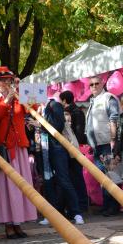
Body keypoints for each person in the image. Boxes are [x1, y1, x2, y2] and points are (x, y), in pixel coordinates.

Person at [0, 66, 37, 238]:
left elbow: (33, 107)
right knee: (5, 188)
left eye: (9, 80)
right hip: (3, 149)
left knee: (22, 186)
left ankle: (19, 223)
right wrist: (6, 102)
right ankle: (8, 224)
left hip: (19, 147)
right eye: (3, 80)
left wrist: (22, 89)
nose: (7, 83)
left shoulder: (18, 97)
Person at [43, 96, 84, 225]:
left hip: (57, 147)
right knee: (49, 182)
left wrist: (41, 124)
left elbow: (57, 126)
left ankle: (76, 213)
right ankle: (53, 214)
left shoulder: (52, 104)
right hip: (44, 148)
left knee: (64, 180)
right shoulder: (32, 108)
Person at [85, 75, 121, 216]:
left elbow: (114, 118)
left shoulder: (108, 97)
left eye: (96, 83)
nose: (93, 86)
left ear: (102, 83)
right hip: (97, 145)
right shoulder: (93, 100)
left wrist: (113, 140)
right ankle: (107, 205)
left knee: (110, 176)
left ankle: (113, 206)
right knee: (103, 178)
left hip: (107, 143)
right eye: (91, 84)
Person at [60, 91, 88, 213]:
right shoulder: (78, 111)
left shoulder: (72, 113)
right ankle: (81, 204)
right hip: (75, 148)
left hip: (73, 149)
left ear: (64, 100)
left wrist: (72, 146)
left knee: (76, 178)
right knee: (77, 177)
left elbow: (78, 133)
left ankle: (80, 205)